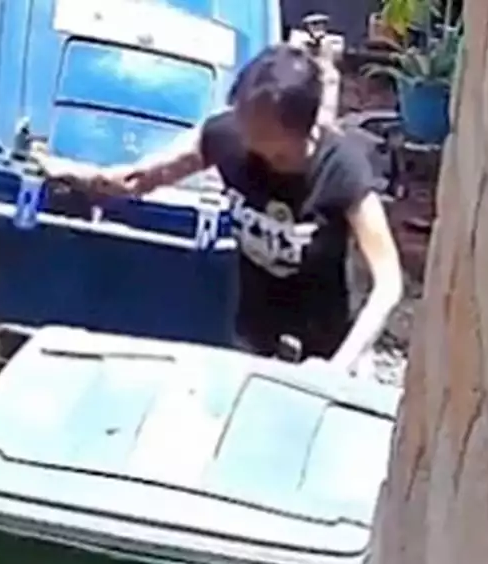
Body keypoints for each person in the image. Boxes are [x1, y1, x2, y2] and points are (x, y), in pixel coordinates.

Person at [40, 44, 403, 372]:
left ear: (296, 128)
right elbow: (138, 178)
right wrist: (72, 173)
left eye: (255, 124)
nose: (241, 130)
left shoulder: (342, 170)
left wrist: (341, 366)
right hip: (254, 335)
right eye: (240, 113)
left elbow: (388, 283)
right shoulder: (229, 137)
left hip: (328, 344)